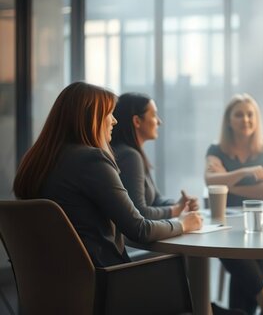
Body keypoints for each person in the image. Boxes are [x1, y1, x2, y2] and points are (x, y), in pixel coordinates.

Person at [12, 82, 203, 268]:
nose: (114, 120)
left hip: (49, 280)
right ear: (90, 118)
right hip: (102, 281)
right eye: (109, 113)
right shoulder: (92, 161)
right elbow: (139, 229)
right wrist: (182, 224)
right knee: (178, 270)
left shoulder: (38, 161)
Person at [204, 93, 263, 315]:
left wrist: (231, 183)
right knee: (226, 243)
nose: (245, 119)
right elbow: (210, 180)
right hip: (228, 220)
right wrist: (246, 172)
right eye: (238, 115)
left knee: (245, 264)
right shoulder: (216, 149)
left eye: (250, 115)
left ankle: (260, 302)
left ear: (257, 119)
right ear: (228, 120)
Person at [111, 93, 200, 220]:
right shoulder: (130, 156)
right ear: (137, 121)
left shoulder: (135, 154)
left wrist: (180, 204)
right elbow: (139, 213)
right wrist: (174, 210)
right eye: (153, 115)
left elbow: (156, 199)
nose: (159, 121)